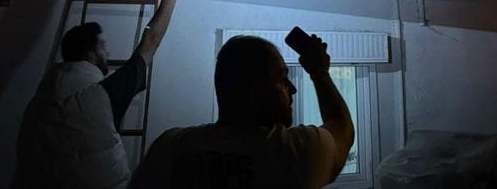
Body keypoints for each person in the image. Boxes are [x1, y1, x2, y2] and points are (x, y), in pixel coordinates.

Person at [12, 0, 189, 189]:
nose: (108, 53)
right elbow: (151, 41)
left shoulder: (43, 95)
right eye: (103, 46)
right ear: (90, 53)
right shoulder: (100, 95)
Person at [130, 33, 354, 189]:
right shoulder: (297, 151)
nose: (292, 88)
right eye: (282, 78)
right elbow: (341, 127)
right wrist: (319, 72)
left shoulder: (170, 147)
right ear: (255, 90)